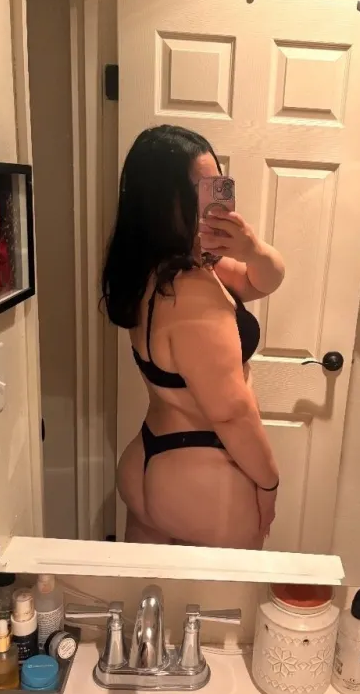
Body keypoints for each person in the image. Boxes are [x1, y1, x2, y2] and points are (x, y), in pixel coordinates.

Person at [102, 125, 285, 549]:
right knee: (228, 596)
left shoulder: (155, 268)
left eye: (216, 185)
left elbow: (265, 280)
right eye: (199, 189)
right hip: (202, 484)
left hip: (149, 461)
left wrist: (252, 249)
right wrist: (270, 484)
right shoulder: (191, 290)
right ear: (163, 201)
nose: (211, 200)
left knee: (146, 592)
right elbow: (231, 413)